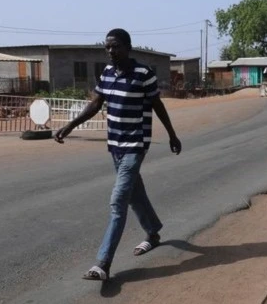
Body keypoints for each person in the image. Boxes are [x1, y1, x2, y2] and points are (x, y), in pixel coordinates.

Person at [54, 28, 181, 281]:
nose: (111, 51)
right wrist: (70, 125)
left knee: (118, 201)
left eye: (116, 46)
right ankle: (153, 232)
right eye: (108, 47)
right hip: (115, 145)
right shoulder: (107, 73)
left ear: (128, 48)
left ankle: (103, 263)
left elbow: (158, 105)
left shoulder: (144, 74)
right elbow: (95, 104)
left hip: (136, 145)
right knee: (135, 194)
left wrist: (172, 134)